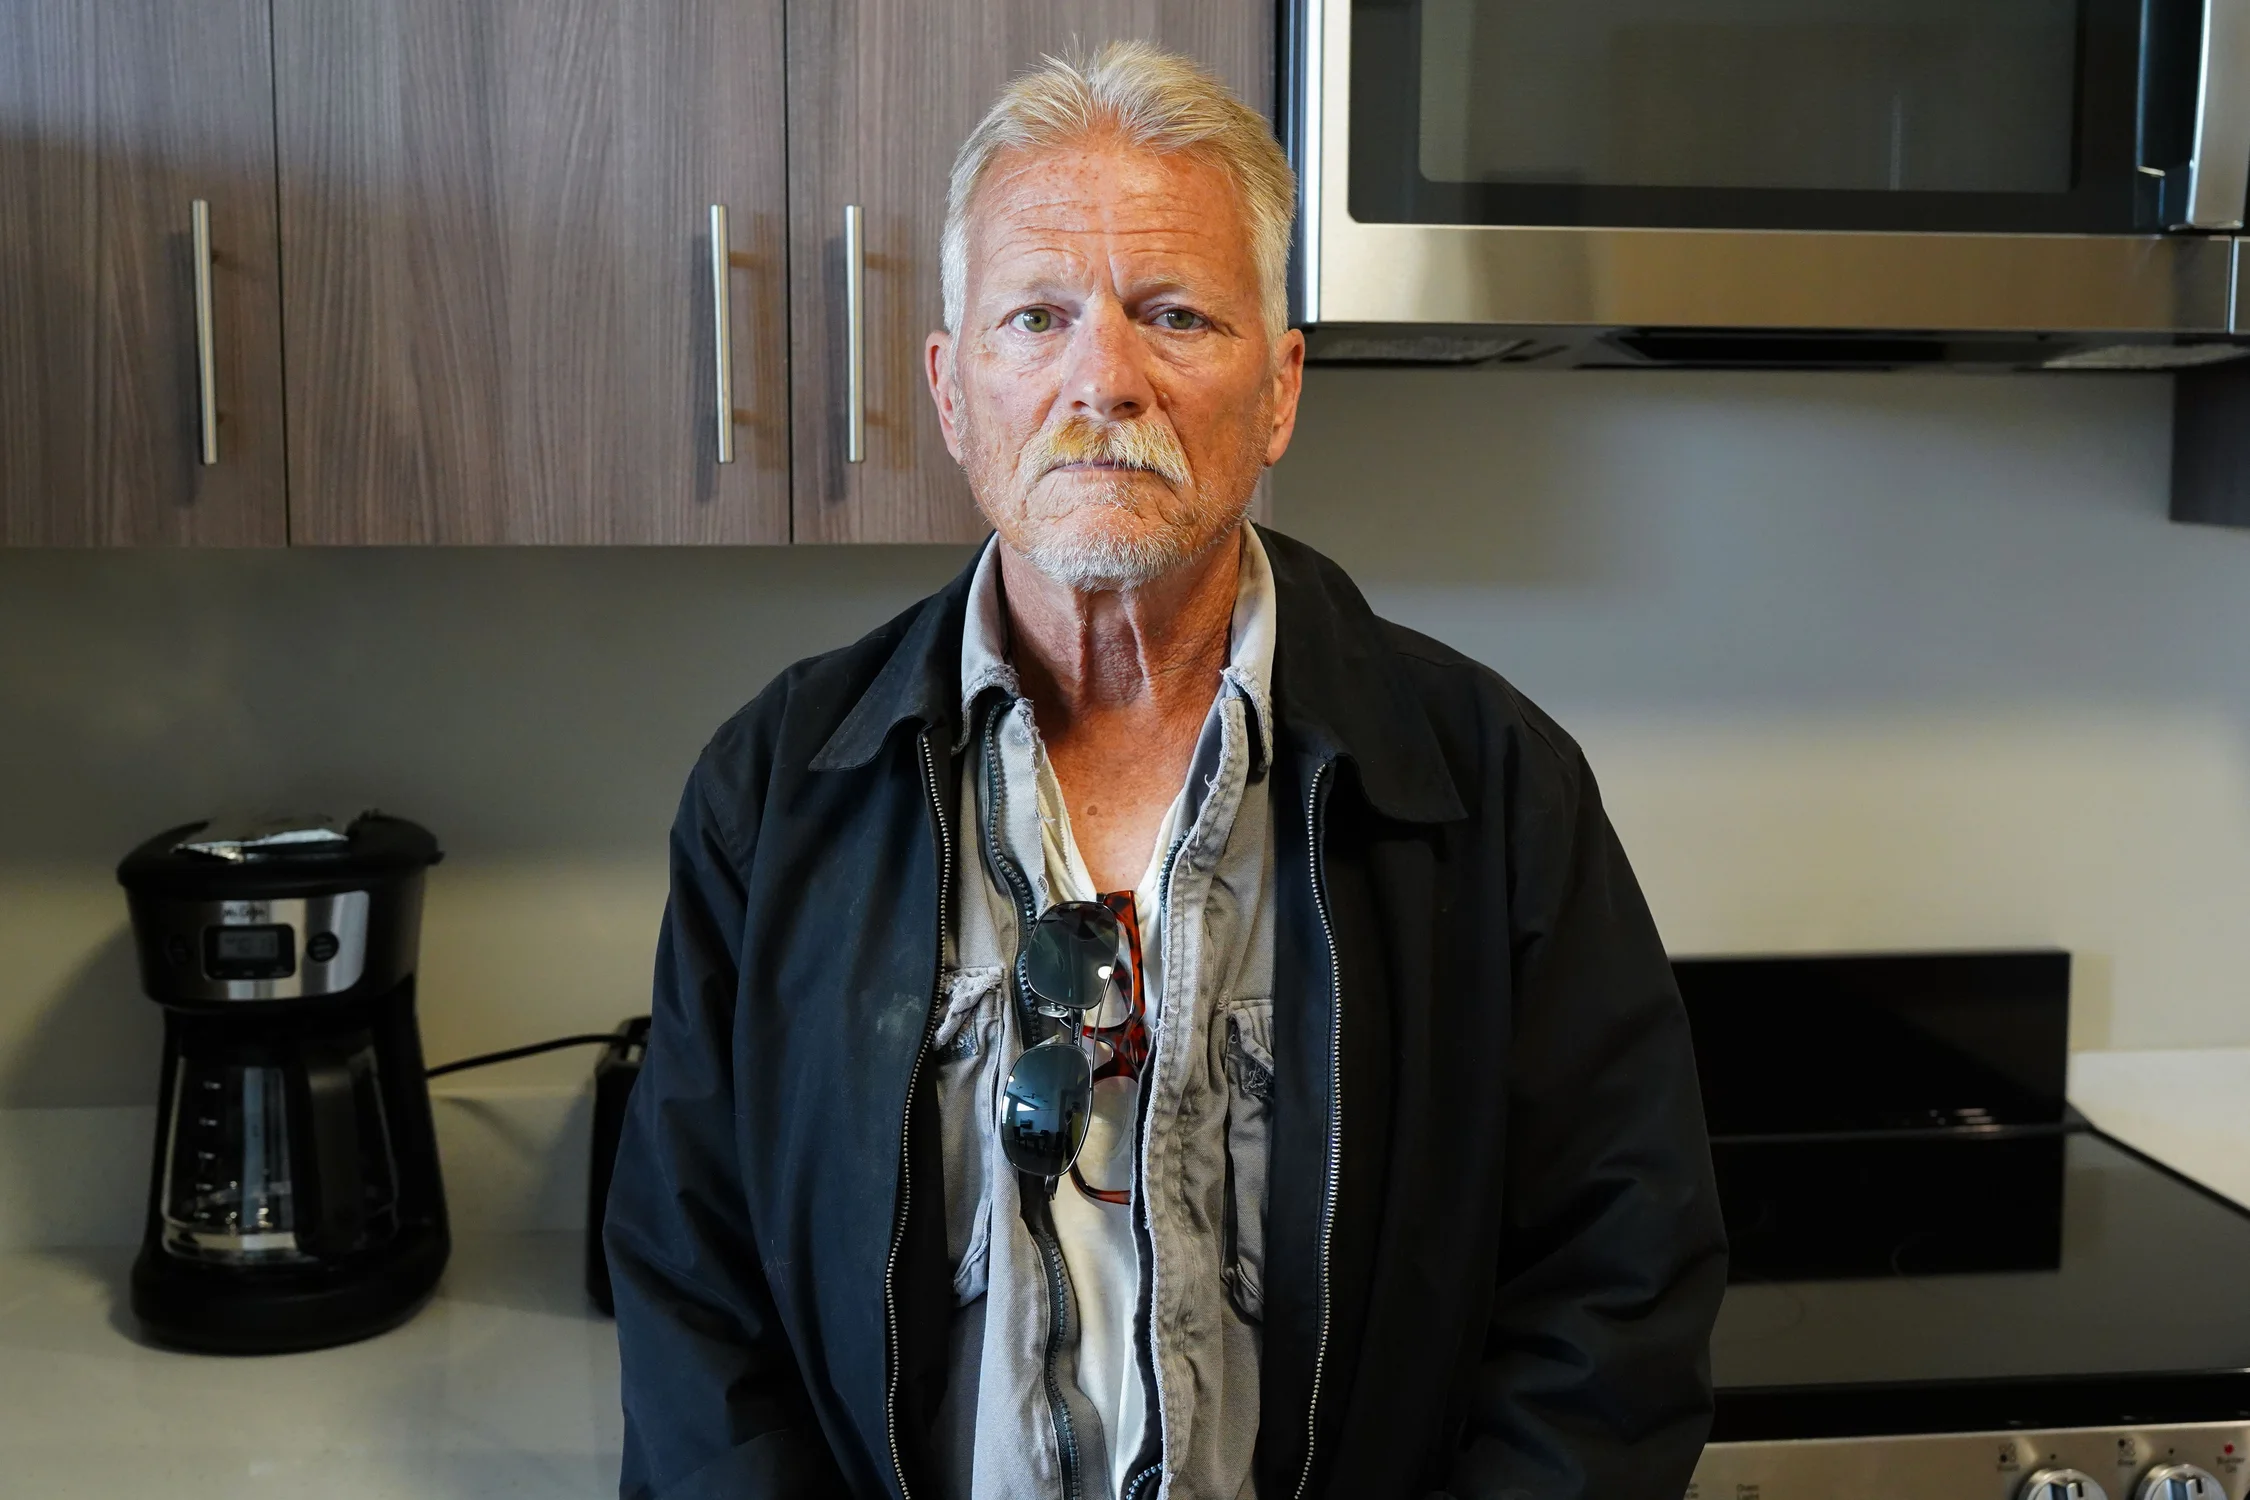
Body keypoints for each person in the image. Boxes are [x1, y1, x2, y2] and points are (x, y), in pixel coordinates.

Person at [606, 41, 1726, 1500]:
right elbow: (694, 1300)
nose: (1102, 381)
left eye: (1175, 315)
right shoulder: (780, 787)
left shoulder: (1489, 785)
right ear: (953, 393)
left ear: (1277, 392)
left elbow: (1616, 1295)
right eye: (1036, 317)